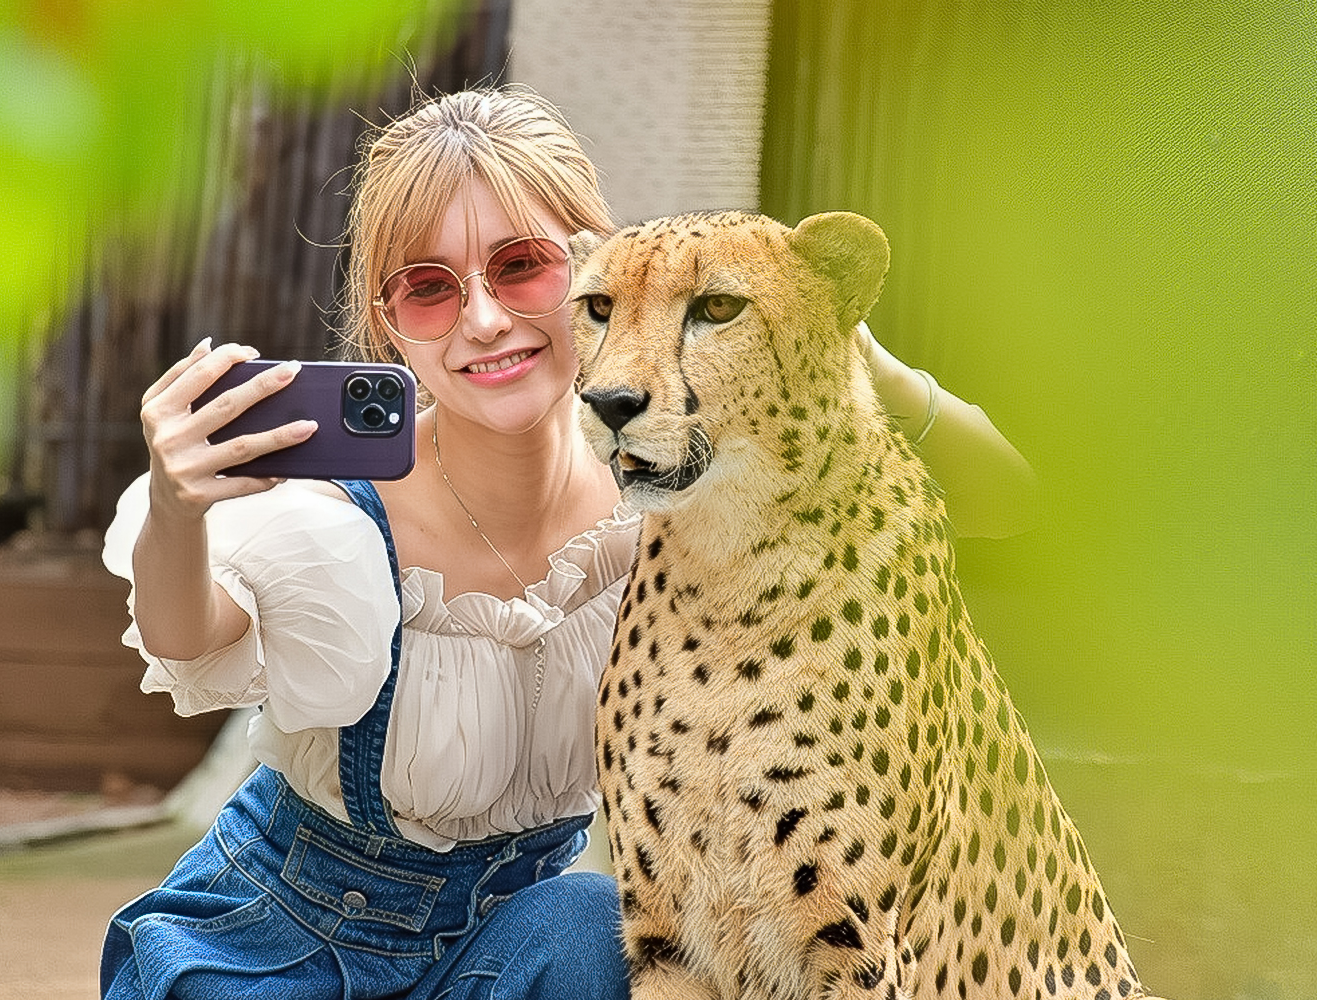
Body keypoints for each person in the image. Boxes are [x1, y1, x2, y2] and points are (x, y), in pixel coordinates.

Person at [97, 85, 1036, 1000]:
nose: (485, 319)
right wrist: (180, 512)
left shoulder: (668, 504)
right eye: (429, 289)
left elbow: (1009, 498)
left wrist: (844, 340)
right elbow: (189, 635)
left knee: (591, 925)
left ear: (599, 270)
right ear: (392, 324)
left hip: (517, 956)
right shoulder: (334, 515)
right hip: (275, 953)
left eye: (521, 267)